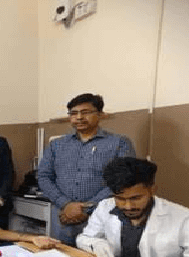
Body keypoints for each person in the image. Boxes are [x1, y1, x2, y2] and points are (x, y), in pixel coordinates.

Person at [75, 157, 189, 257]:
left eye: (136, 198)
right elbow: (83, 238)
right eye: (120, 198)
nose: (128, 206)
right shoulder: (105, 206)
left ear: (152, 190)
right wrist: (96, 244)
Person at [37, 92, 136, 244]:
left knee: (99, 255)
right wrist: (65, 204)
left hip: (101, 216)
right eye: (74, 113)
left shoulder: (119, 143)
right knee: (60, 254)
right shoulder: (56, 145)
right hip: (63, 216)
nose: (79, 117)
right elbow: (43, 176)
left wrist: (87, 208)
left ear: (100, 114)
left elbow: (122, 180)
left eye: (85, 112)